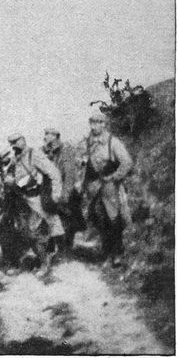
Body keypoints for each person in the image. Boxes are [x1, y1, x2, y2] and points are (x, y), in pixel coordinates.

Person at [78, 111, 133, 267]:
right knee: (95, 215)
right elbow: (81, 160)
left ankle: (117, 253)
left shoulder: (112, 142)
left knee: (113, 217)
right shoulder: (87, 142)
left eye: (98, 123)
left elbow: (127, 162)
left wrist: (115, 176)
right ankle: (106, 248)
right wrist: (82, 166)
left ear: (104, 124)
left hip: (109, 183)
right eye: (92, 123)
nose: (94, 126)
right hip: (93, 183)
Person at [5, 133, 65, 275]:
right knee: (22, 231)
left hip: (35, 199)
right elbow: (12, 176)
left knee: (35, 232)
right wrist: (9, 180)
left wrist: (56, 194)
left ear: (23, 140)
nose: (13, 146)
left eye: (16, 142)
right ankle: (23, 263)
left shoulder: (34, 154)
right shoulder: (15, 158)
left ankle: (44, 263)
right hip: (21, 199)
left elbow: (54, 173)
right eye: (11, 143)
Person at [42, 127, 85, 250]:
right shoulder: (45, 151)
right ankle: (52, 248)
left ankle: (66, 248)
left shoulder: (65, 150)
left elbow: (69, 175)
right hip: (51, 191)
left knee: (68, 220)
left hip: (66, 190)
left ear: (55, 136)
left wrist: (65, 194)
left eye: (48, 134)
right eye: (45, 134)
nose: (45, 137)